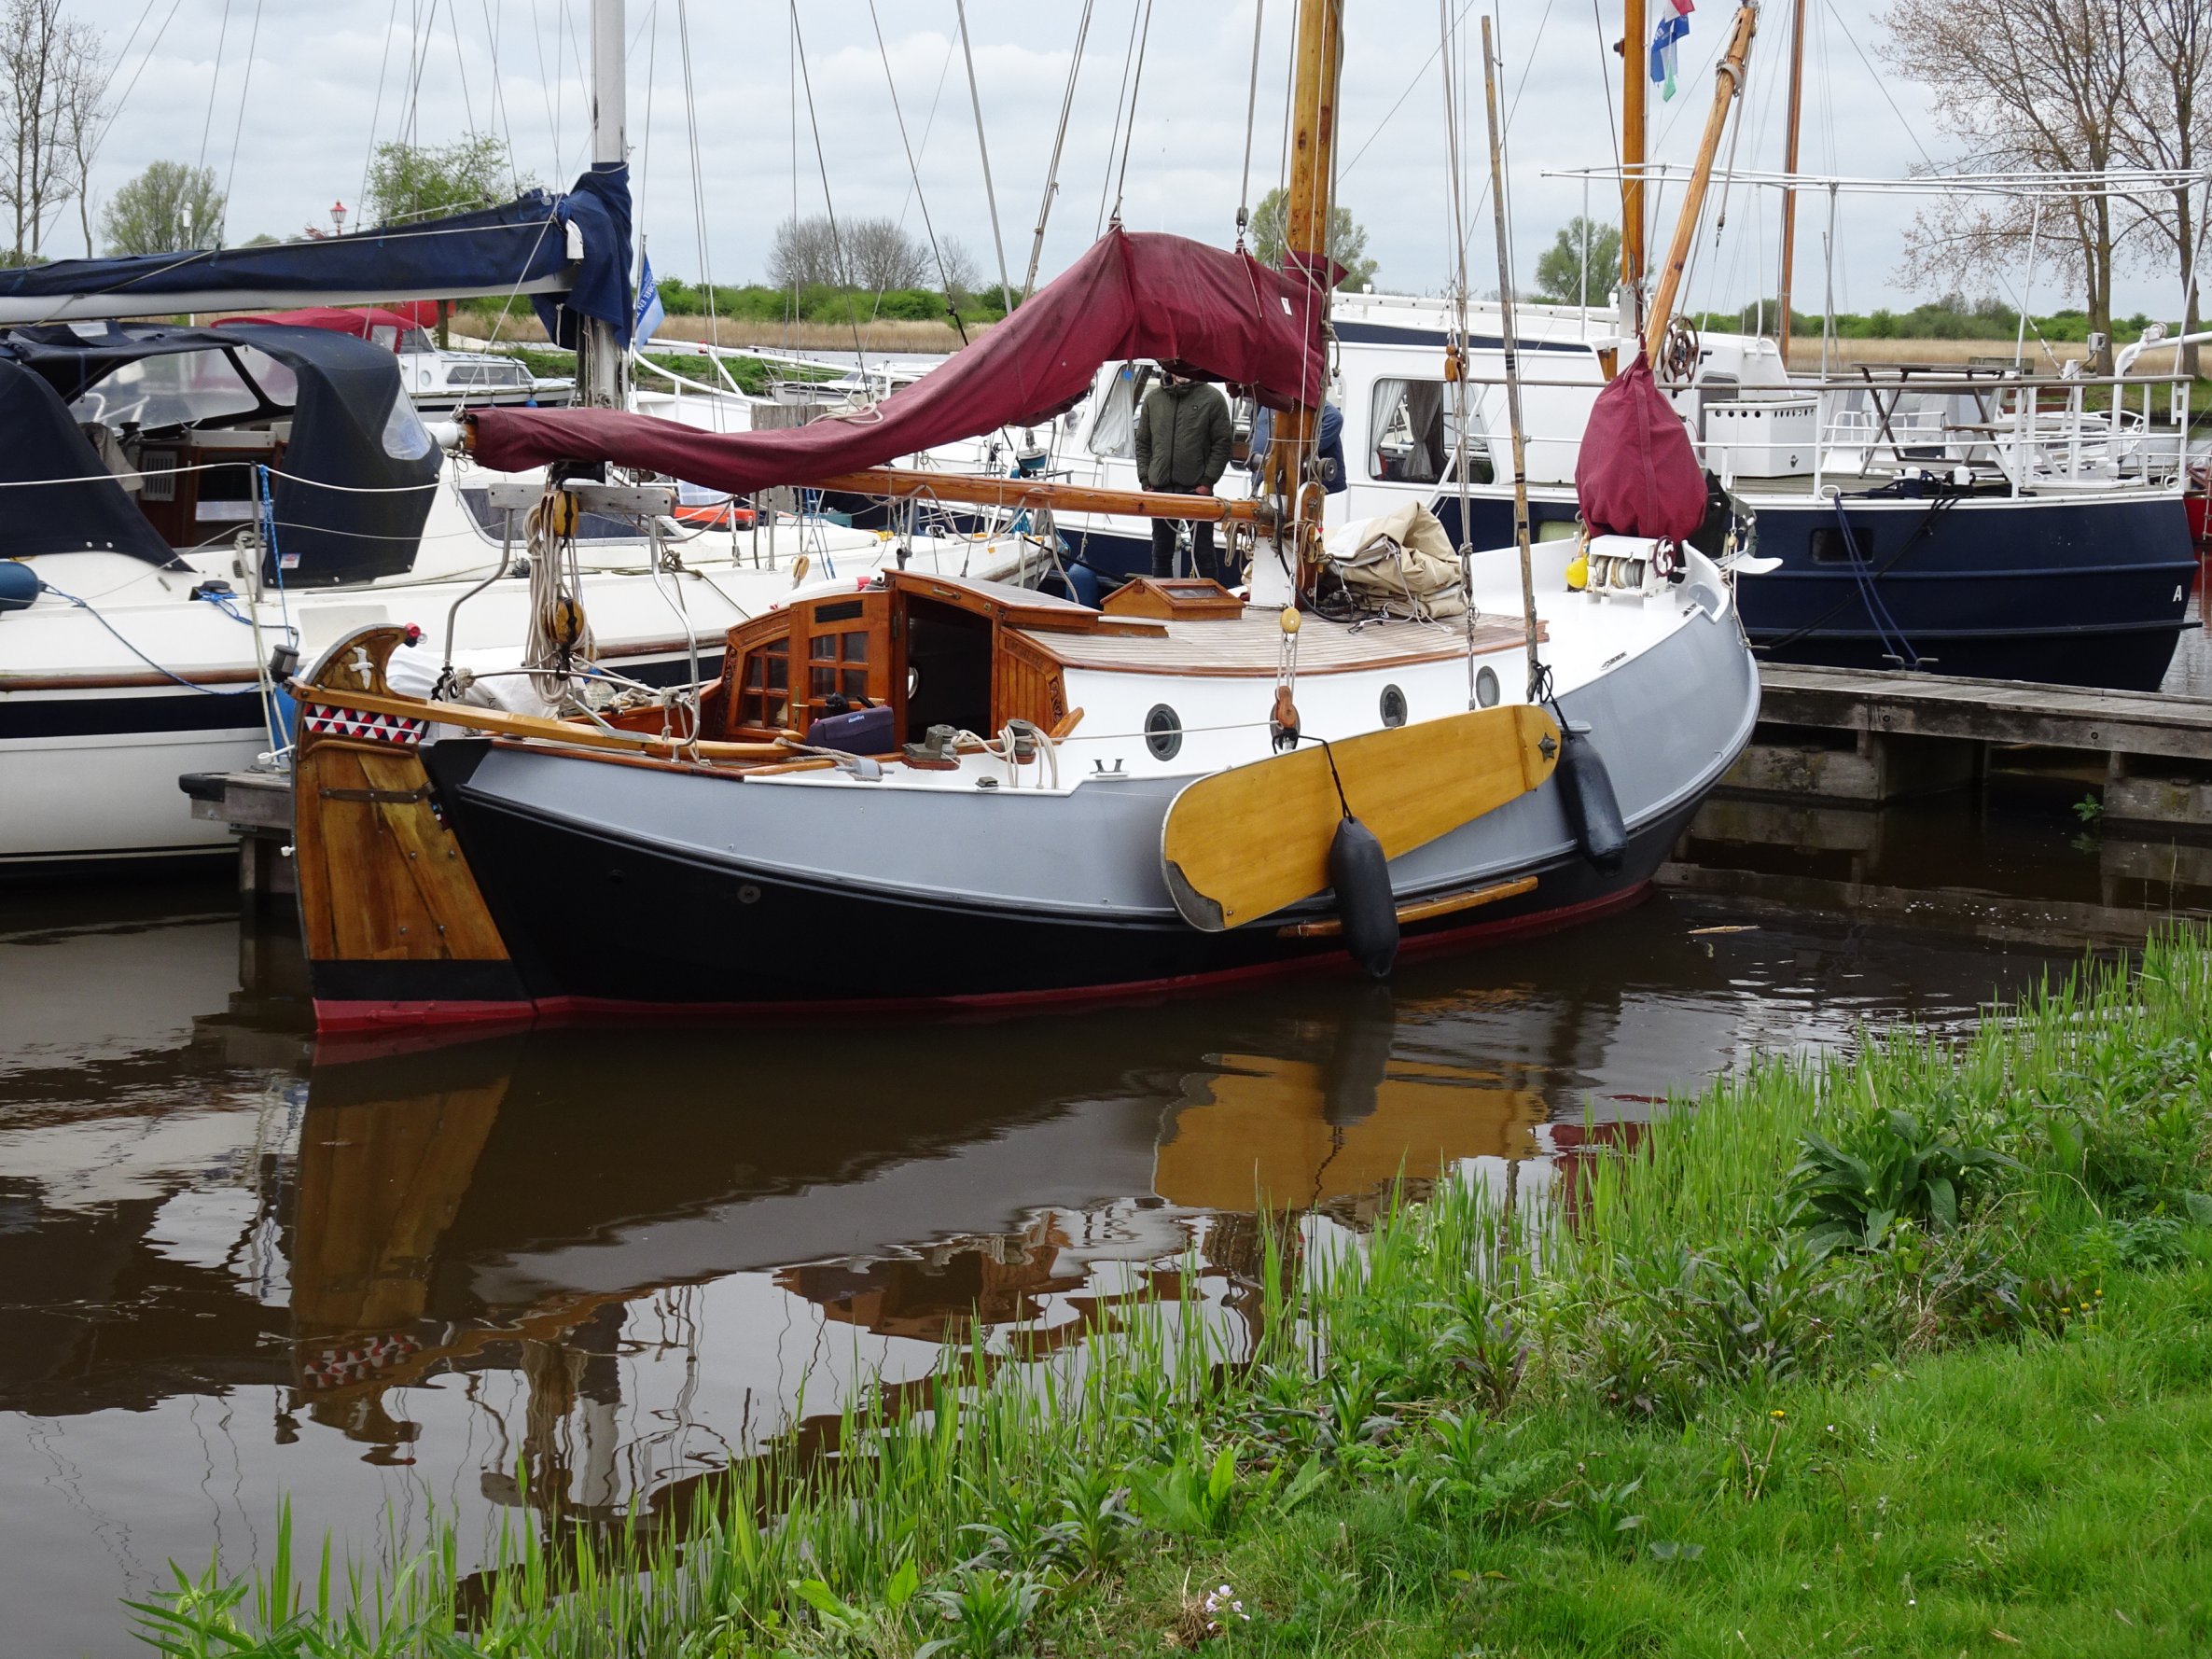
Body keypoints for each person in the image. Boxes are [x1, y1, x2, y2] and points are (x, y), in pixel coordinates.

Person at [1134, 369, 1233, 580]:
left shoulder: (1213, 399)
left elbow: (1223, 443)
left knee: (1203, 553)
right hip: (1159, 489)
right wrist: (1145, 480)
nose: (1181, 370)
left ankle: (1208, 597)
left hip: (1197, 490)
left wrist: (1207, 482)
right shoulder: (1153, 399)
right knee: (1161, 553)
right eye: (1176, 365)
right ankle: (1162, 596)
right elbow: (1142, 442)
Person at [1247, 400, 1347, 495]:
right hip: (1263, 478)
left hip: (1293, 484)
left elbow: (1334, 419)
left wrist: (1307, 452)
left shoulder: (1299, 398)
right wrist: (1253, 446)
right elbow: (1256, 426)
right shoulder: (1264, 399)